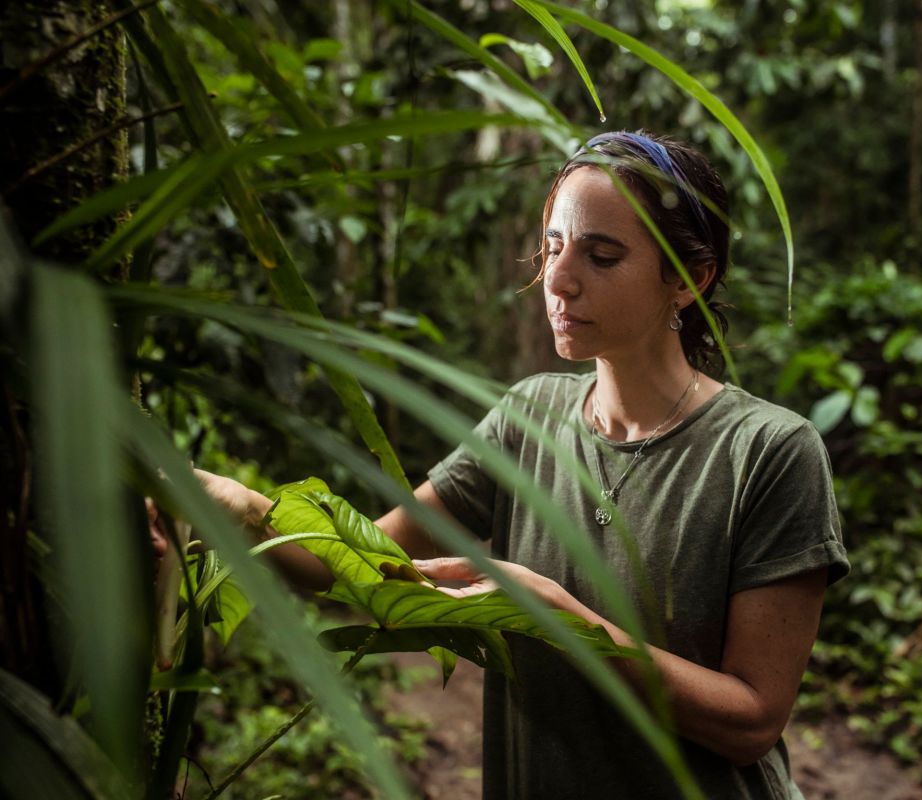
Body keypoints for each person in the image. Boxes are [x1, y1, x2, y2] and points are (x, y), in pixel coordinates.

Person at [194, 131, 850, 799]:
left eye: (602, 255)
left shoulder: (769, 452)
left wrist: (559, 619)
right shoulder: (526, 418)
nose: (559, 281)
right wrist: (224, 502)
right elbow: (366, 568)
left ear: (688, 279)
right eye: (555, 248)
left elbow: (752, 723)